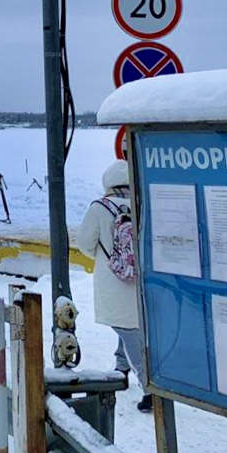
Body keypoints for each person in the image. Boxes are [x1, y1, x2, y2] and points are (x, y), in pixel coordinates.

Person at [78, 159, 152, 413]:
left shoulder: (100, 207)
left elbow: (85, 243)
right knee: (130, 323)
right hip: (143, 280)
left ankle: (150, 389)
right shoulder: (143, 203)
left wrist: (107, 257)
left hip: (114, 279)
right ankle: (122, 368)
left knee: (126, 328)